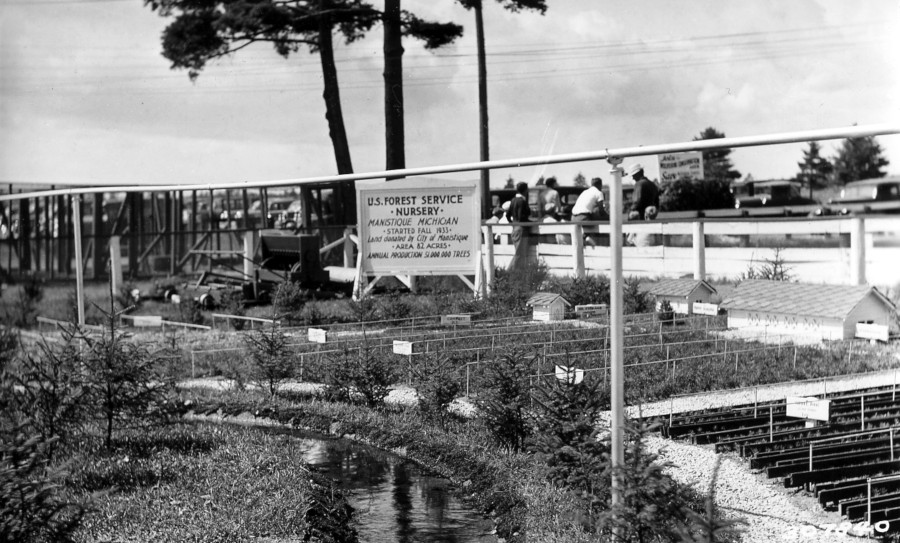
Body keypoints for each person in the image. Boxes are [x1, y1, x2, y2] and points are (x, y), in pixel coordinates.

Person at [624, 163, 660, 246]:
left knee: (634, 243)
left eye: (633, 175)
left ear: (637, 174)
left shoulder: (639, 184)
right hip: (650, 219)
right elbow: (657, 203)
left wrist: (630, 213)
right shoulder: (652, 185)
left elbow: (637, 201)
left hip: (639, 220)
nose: (632, 178)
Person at [571, 177, 607, 246]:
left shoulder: (585, 192)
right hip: (583, 218)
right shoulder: (599, 193)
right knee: (601, 220)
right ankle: (591, 239)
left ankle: (585, 237)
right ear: (600, 185)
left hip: (573, 218)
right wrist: (609, 217)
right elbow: (601, 211)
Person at [506, 182, 532, 270]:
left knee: (519, 253)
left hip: (515, 228)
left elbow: (507, 215)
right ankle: (509, 272)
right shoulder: (522, 201)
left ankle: (514, 273)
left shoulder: (513, 200)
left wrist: (513, 224)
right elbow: (521, 216)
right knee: (520, 254)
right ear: (525, 190)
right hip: (521, 229)